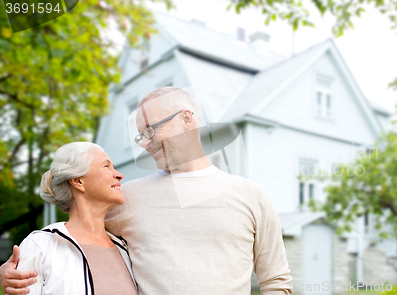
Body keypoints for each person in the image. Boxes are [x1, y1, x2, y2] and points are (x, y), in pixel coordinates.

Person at [1, 87, 292, 294]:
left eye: (151, 130)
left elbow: (276, 283)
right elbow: (75, 232)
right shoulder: (126, 198)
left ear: (187, 120)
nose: (144, 142)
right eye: (141, 135)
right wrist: (10, 272)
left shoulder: (251, 196)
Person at [0, 142, 137, 295]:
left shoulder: (126, 249)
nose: (119, 174)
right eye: (106, 166)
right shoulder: (41, 246)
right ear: (78, 181)